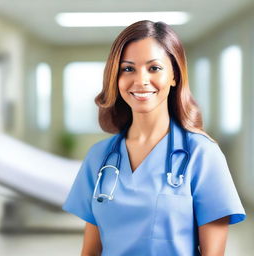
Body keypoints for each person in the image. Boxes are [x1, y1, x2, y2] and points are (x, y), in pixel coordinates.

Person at [62, 20, 246, 256]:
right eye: (128, 69)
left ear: (174, 76)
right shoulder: (100, 156)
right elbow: (89, 251)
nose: (140, 80)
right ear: (115, 78)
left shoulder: (201, 153)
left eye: (154, 68)